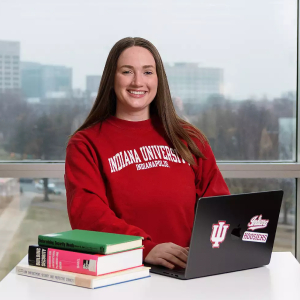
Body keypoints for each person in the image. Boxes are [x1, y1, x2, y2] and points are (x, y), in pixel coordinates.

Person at [65, 37, 230, 270]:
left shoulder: (189, 138)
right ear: (111, 78)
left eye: (148, 72)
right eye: (127, 71)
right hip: (125, 272)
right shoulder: (85, 144)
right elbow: (88, 216)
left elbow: (219, 204)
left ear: (158, 79)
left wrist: (207, 249)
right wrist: (145, 247)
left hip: (190, 269)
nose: (138, 82)